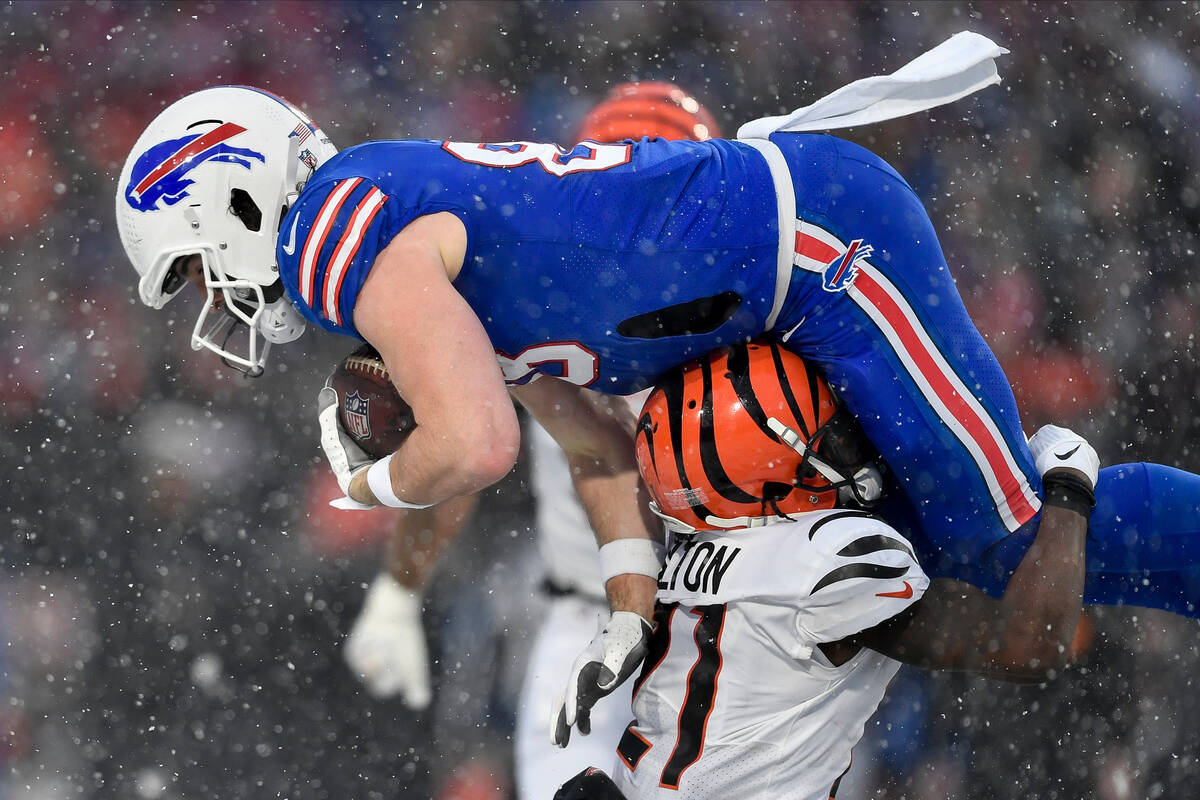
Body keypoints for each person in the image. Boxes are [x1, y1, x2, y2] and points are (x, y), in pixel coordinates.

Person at [114, 33, 1200, 749]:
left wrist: (371, 485)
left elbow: (477, 443)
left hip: (821, 251)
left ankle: (1090, 487)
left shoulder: (336, 233)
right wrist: (631, 614)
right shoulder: (376, 225)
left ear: (234, 201)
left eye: (201, 267)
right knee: (955, 554)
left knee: (1003, 545)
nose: (219, 298)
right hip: (789, 282)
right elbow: (588, 444)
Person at [340, 82, 723, 799]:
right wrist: (398, 589)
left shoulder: (758, 307)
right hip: (599, 622)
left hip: (729, 625)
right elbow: (462, 454)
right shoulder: (531, 295)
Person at [554, 341, 1098, 799]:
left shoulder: (689, 540)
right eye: (828, 433)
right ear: (766, 468)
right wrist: (1069, 493)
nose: (849, 441)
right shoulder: (826, 557)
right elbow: (1033, 645)